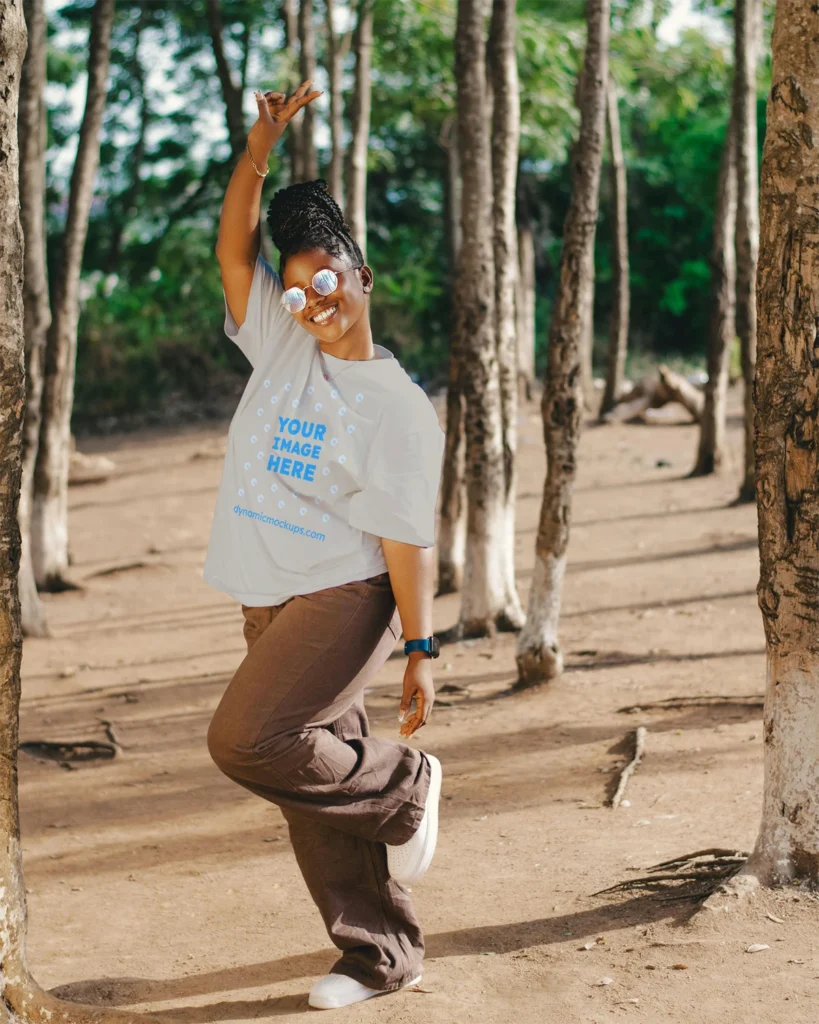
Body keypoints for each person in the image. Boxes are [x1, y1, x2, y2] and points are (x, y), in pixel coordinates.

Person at [202, 80, 446, 1011]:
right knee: (308, 773)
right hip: (266, 590)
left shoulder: (396, 408)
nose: (312, 300)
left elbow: (403, 535)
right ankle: (379, 954)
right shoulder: (281, 342)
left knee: (250, 739)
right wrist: (260, 146)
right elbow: (232, 247)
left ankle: (406, 788)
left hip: (345, 596)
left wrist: (419, 649)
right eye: (297, 286)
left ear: (363, 277)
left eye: (327, 280)